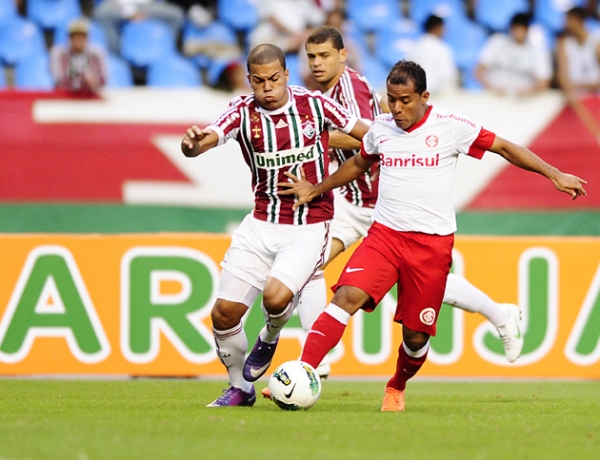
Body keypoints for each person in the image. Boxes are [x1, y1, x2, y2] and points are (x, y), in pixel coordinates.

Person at [280, 60, 587, 412]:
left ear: (424, 97)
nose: (396, 108)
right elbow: (359, 163)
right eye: (392, 99)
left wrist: (554, 174)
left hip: (431, 245)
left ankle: (397, 385)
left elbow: (503, 147)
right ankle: (302, 372)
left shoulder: (451, 126)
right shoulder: (381, 128)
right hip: (385, 236)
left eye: (405, 100)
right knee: (345, 297)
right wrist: (317, 188)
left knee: (415, 337)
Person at [265, 26, 527, 399]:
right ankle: (306, 367)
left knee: (418, 321)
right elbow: (364, 153)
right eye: (311, 57)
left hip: (393, 214)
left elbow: (359, 135)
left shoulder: (356, 91)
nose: (316, 63)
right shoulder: (356, 109)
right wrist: (318, 186)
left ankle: (495, 318)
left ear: (343, 55)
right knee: (321, 274)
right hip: (367, 214)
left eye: (324, 55)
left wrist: (307, 134)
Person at [181, 44, 369, 407]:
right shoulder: (242, 111)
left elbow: (368, 135)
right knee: (223, 314)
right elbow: (205, 140)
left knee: (276, 296)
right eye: (259, 81)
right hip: (260, 224)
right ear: (249, 80)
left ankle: (270, 335)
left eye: (273, 79)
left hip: (309, 224)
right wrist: (192, 145)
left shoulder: (315, 104)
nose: (267, 87)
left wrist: (321, 186)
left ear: (285, 75)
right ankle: (240, 387)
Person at [475, 13, 552, 97]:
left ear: (527, 30)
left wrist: (529, 92)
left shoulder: (538, 51)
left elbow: (543, 82)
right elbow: (478, 71)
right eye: (516, 28)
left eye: (521, 29)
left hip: (524, 99)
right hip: (493, 96)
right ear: (510, 28)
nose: (518, 32)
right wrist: (492, 88)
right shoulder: (496, 42)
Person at [556, 6, 600, 141]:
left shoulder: (596, 43)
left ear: (578, 20)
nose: (565, 25)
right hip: (575, 99)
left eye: (568, 21)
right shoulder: (563, 43)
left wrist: (578, 86)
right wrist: (569, 91)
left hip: (595, 98)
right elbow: (562, 73)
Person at [93, 0, 185, 55]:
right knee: (103, 14)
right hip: (119, 4)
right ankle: (116, 55)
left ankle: (165, 53)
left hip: (147, 6)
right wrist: (129, 12)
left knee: (177, 15)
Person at [49, 18, 108, 95]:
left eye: (82, 36)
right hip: (66, 96)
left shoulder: (96, 54)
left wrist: (94, 82)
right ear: (69, 38)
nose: (78, 39)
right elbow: (58, 80)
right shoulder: (60, 54)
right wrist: (79, 79)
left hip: (90, 96)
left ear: (87, 38)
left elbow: (103, 79)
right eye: (75, 36)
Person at [248, 0, 325, 54]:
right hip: (268, 40)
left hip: (298, 41)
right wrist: (296, 36)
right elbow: (272, 19)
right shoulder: (269, 2)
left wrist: (305, 35)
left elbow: (318, 20)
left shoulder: (303, 3)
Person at [408, 14, 458, 96]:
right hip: (437, 94)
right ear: (437, 27)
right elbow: (447, 76)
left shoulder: (415, 47)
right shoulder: (442, 48)